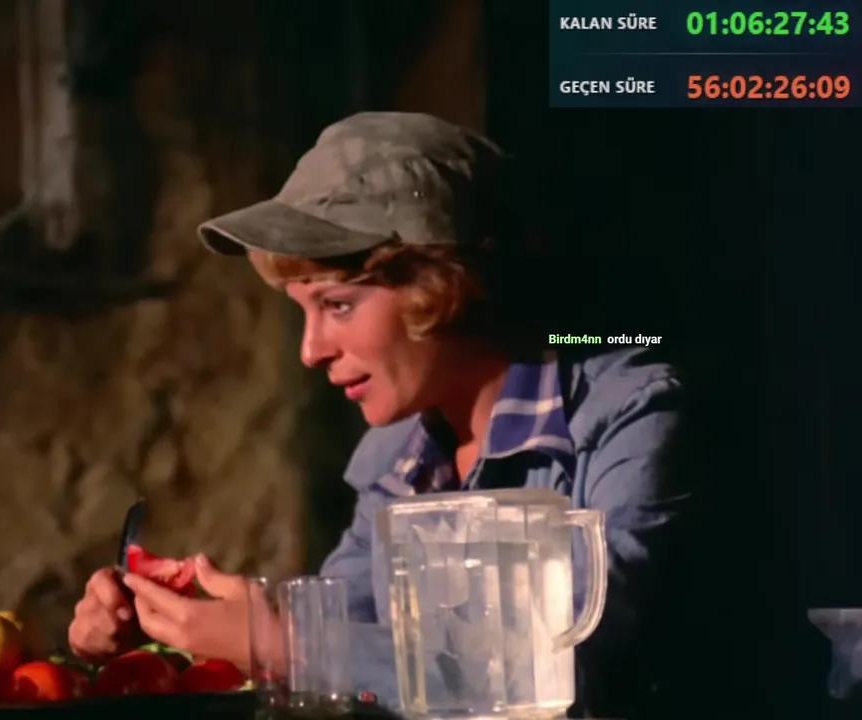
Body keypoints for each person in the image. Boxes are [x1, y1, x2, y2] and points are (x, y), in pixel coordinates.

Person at [66, 112, 824, 716]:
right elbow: (356, 638)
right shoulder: (401, 457)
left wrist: (281, 641)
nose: (310, 351)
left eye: (337, 305)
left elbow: (565, 672)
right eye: (303, 312)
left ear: (442, 283)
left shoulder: (632, 415)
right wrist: (183, 624)